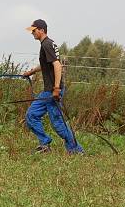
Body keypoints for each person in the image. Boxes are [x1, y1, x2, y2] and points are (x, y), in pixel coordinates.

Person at [22, 19, 84, 155]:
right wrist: (31, 72)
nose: (32, 33)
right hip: (47, 92)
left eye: (34, 30)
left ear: (42, 30)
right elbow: (46, 64)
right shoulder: (46, 44)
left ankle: (75, 150)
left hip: (52, 91)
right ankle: (44, 143)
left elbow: (57, 65)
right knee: (31, 115)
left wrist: (56, 88)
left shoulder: (47, 45)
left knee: (58, 124)